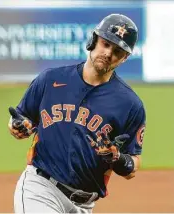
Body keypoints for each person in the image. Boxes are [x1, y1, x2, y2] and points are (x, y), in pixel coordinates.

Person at [8, 13, 146, 213]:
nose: (108, 53)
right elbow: (19, 120)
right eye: (106, 44)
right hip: (40, 188)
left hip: (84, 205)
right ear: (93, 40)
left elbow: (132, 167)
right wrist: (17, 126)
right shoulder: (50, 79)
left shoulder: (130, 105)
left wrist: (117, 159)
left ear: (125, 58)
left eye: (117, 51)